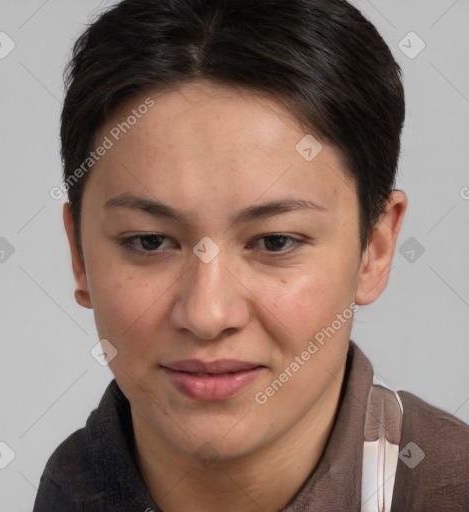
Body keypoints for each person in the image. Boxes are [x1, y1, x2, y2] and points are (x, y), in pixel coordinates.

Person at [34, 0, 469, 510]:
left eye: (275, 242)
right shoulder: (68, 488)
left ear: (374, 250)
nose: (207, 315)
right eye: (150, 241)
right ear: (80, 255)